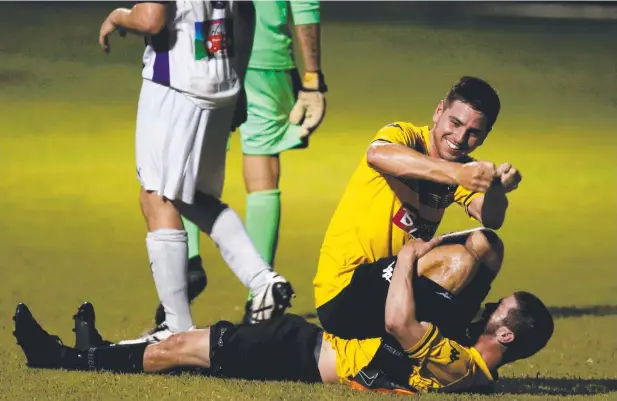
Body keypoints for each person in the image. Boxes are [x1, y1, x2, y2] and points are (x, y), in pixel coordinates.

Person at [13, 237, 554, 395]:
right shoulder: (470, 361)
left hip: (306, 357)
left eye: (496, 309)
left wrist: (410, 255)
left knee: (182, 349)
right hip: (315, 345)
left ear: (505, 332)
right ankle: (93, 350)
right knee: (189, 344)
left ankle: (61, 357)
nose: (486, 306)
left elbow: (400, 325)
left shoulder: (463, 368)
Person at [98, 1, 293, 343]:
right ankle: (264, 282)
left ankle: (176, 327)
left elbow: (151, 18)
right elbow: (246, 11)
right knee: (193, 197)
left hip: (177, 86)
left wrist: (118, 17)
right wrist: (239, 76)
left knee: (156, 196)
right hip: (221, 81)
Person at [314, 76, 521, 338]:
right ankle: (424, 348)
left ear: (484, 136)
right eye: (455, 123)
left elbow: (491, 218)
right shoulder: (407, 136)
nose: (459, 138)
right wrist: (456, 173)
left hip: (394, 286)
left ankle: (455, 337)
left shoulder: (461, 168)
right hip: (344, 293)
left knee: (488, 245)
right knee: (459, 260)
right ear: (438, 112)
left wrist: (497, 189)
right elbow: (376, 155)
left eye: (473, 132)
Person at [170, 0, 327, 326]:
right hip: (265, 55)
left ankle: (188, 263)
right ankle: (260, 301)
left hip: (212, 46)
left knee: (189, 159)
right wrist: (312, 78)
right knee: (262, 177)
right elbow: (305, 4)